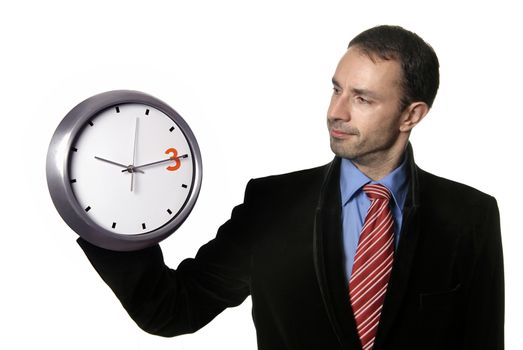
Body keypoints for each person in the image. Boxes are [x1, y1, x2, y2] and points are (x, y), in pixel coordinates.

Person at [78, 25, 504, 350]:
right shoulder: (272, 205)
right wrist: (104, 216)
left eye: (362, 99)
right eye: (336, 90)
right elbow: (172, 309)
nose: (336, 112)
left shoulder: (470, 216)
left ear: (411, 115)